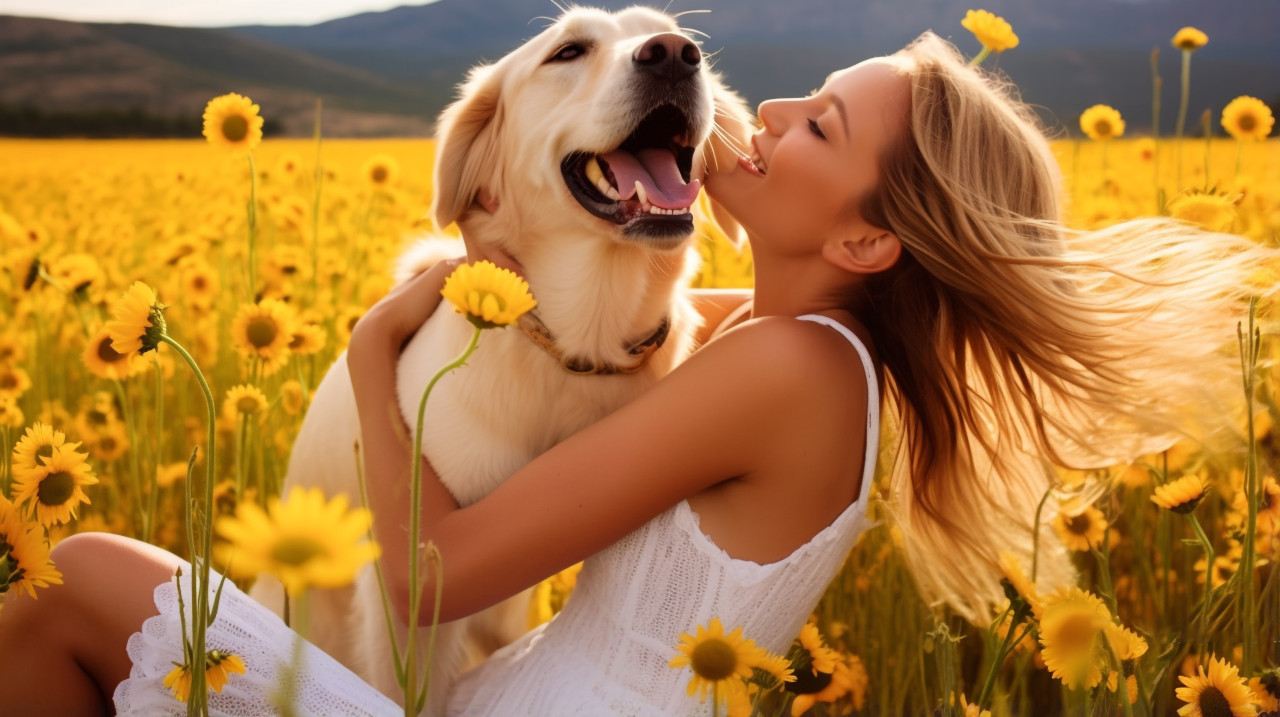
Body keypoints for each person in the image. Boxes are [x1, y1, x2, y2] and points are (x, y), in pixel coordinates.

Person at [0, 31, 1268, 716]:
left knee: (85, 578)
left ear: (864, 241)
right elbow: (630, 327)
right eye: (801, 95)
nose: (763, 113)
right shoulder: (810, 349)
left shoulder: (778, 369)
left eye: (817, 126)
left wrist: (372, 349)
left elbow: (430, 578)